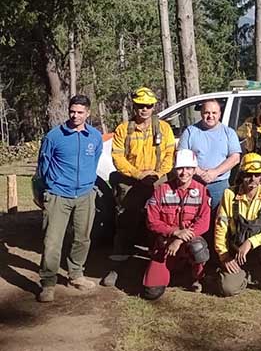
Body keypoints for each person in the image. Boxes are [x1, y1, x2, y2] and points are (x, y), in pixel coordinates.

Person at [102, 87, 175, 287]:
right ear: (134, 106)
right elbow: (117, 157)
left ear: (154, 107)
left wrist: (157, 174)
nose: (144, 110)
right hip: (131, 180)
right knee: (125, 222)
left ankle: (156, 264)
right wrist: (138, 174)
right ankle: (117, 267)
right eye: (140, 106)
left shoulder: (164, 129)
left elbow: (169, 156)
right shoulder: (123, 129)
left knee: (159, 221)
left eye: (148, 106)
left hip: (157, 180)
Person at [36, 95, 103, 302]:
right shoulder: (54, 136)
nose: (75, 115)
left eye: (80, 112)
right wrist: (45, 191)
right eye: (72, 111)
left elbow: (96, 159)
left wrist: (88, 185)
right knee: (52, 241)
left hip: (85, 195)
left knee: (82, 238)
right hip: (58, 195)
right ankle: (48, 283)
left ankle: (76, 274)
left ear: (88, 113)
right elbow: (42, 167)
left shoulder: (95, 136)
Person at [142, 149, 211, 300]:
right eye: (180, 168)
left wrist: (180, 239)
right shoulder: (161, 190)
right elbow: (152, 221)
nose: (184, 172)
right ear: (174, 169)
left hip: (188, 242)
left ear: (194, 170)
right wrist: (174, 232)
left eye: (188, 168)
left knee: (198, 247)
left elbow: (204, 223)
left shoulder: (202, 191)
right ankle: (174, 268)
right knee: (151, 291)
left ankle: (197, 277)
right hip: (166, 243)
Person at [214, 153, 261, 297]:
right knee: (228, 289)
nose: (252, 179)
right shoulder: (229, 194)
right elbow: (221, 227)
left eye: (257, 175)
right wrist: (224, 256)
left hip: (259, 250)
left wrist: (250, 242)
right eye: (248, 175)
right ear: (241, 175)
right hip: (235, 252)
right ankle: (244, 275)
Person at [178, 99, 241, 215]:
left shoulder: (229, 133)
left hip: (220, 185)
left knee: (220, 220)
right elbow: (182, 157)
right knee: (192, 218)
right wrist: (201, 173)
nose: (210, 116)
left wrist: (215, 172)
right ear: (201, 113)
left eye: (214, 113)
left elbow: (235, 158)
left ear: (219, 114)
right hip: (194, 183)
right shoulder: (190, 132)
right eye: (207, 112)